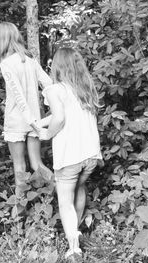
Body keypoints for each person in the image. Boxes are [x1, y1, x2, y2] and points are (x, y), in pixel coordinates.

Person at [39, 47, 102, 261]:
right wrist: (39, 123)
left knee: (65, 201)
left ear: (57, 66)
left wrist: (46, 135)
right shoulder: (85, 88)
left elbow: (59, 118)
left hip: (70, 156)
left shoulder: (55, 90)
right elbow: (65, 112)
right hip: (91, 155)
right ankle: (75, 233)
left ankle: (74, 249)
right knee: (79, 188)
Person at [0, 22, 53, 197]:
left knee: (19, 167)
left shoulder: (6, 63)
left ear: (0, 40)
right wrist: (49, 109)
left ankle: (19, 215)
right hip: (35, 118)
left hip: (18, 120)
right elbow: (48, 84)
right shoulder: (31, 60)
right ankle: (62, 189)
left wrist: (30, 120)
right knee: (37, 164)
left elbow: (18, 96)